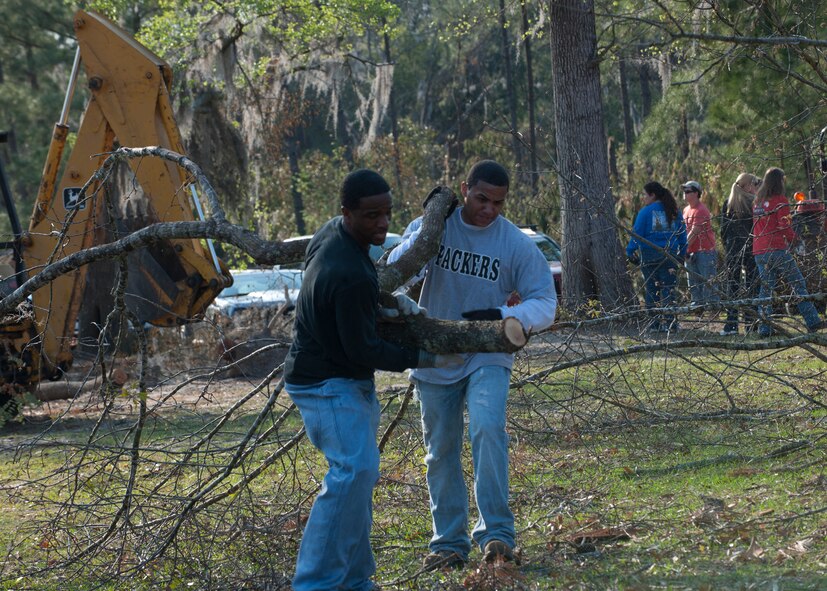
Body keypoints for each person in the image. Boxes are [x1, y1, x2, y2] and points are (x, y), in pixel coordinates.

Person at [283, 169, 459, 591]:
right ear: (346, 212)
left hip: (335, 377)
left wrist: (386, 302)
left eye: (386, 213)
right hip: (325, 383)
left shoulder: (332, 235)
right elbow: (363, 349)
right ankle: (314, 584)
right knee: (353, 472)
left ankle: (356, 580)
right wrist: (426, 357)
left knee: (358, 479)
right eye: (370, 216)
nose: (382, 223)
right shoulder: (350, 272)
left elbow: (351, 315)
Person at [387, 160, 557, 571]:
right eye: (482, 199)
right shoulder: (434, 227)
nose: (490, 209)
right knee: (440, 450)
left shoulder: (514, 242)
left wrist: (500, 313)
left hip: (487, 353)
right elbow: (394, 272)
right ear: (465, 190)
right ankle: (448, 543)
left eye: (499, 202)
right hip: (435, 353)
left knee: (487, 428)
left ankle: (497, 535)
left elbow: (546, 302)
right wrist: (427, 225)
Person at [752, 167, 825, 336]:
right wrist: (796, 240)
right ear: (779, 181)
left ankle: (764, 328)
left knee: (766, 290)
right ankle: (812, 321)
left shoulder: (757, 202)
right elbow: (784, 225)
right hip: (776, 249)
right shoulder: (780, 201)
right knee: (798, 283)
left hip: (759, 251)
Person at [626, 181, 688, 332]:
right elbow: (682, 234)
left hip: (649, 255)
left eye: (645, 195)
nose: (644, 198)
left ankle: (654, 324)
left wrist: (630, 251)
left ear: (652, 195)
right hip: (670, 255)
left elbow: (637, 234)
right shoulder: (673, 211)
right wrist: (683, 252)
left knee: (652, 289)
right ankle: (671, 324)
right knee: (669, 289)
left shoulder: (645, 212)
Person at [719, 173, 760, 335]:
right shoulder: (753, 203)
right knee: (752, 286)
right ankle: (751, 323)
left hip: (732, 249)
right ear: (747, 186)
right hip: (750, 248)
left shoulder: (727, 205)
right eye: (754, 183)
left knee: (733, 288)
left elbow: (723, 230)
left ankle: (731, 325)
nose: (756, 186)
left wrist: (727, 247)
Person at [681, 180, 719, 306]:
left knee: (708, 280)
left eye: (688, 191)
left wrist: (682, 248)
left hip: (705, 250)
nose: (685, 194)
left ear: (696, 193)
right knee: (693, 282)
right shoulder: (686, 210)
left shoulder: (701, 210)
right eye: (684, 191)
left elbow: (694, 232)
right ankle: (697, 306)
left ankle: (713, 307)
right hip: (691, 250)